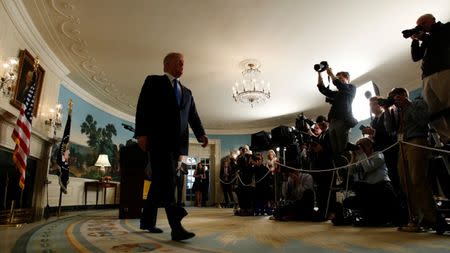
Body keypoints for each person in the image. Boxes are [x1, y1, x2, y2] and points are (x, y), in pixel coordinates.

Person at [135, 52, 208, 241]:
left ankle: (147, 221)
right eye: (179, 63)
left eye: (184, 64)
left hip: (178, 146)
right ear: (166, 64)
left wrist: (201, 134)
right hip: (158, 141)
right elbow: (142, 106)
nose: (182, 66)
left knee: (160, 182)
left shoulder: (188, 93)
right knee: (168, 181)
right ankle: (176, 226)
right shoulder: (153, 81)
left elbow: (193, 117)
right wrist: (141, 133)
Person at [385, 88, 443, 232]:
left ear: (404, 95)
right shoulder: (395, 111)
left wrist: (407, 104)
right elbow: (389, 129)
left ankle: (433, 218)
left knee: (417, 179)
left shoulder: (417, 103)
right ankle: (416, 218)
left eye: (396, 97)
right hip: (402, 144)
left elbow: (423, 121)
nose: (395, 100)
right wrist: (386, 110)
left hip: (416, 140)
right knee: (405, 182)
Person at [410, 14, 450, 143]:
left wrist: (425, 36)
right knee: (433, 111)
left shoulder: (444, 28)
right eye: (418, 24)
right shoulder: (428, 39)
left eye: (422, 23)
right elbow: (416, 57)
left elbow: (440, 38)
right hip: (427, 78)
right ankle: (447, 139)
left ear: (432, 20)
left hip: (443, 71)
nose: (420, 26)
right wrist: (415, 40)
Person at [317, 68, 357, 157]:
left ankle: (349, 165)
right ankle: (341, 168)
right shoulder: (337, 93)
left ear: (347, 78)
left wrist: (331, 74)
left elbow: (341, 86)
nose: (338, 81)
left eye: (340, 78)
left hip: (342, 121)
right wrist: (319, 73)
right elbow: (322, 89)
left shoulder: (351, 88)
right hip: (332, 123)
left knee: (343, 149)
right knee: (335, 150)